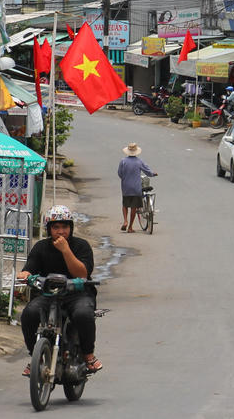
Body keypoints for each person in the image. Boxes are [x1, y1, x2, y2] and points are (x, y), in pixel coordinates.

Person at [17, 205, 100, 376]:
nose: (61, 231)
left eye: (65, 227)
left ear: (71, 228)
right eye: (56, 227)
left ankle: (88, 355)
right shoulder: (41, 247)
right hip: (49, 294)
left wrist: (65, 250)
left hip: (78, 294)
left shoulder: (81, 246)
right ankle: (35, 357)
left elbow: (83, 273)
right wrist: (25, 274)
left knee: (83, 315)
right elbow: (29, 267)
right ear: (49, 229)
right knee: (29, 313)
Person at [117, 143, 155, 233]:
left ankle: (125, 221)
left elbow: (120, 173)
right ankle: (130, 227)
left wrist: (125, 178)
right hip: (136, 188)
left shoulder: (123, 161)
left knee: (125, 204)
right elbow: (147, 172)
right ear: (136, 152)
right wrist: (153, 174)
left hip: (126, 187)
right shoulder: (139, 161)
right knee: (134, 207)